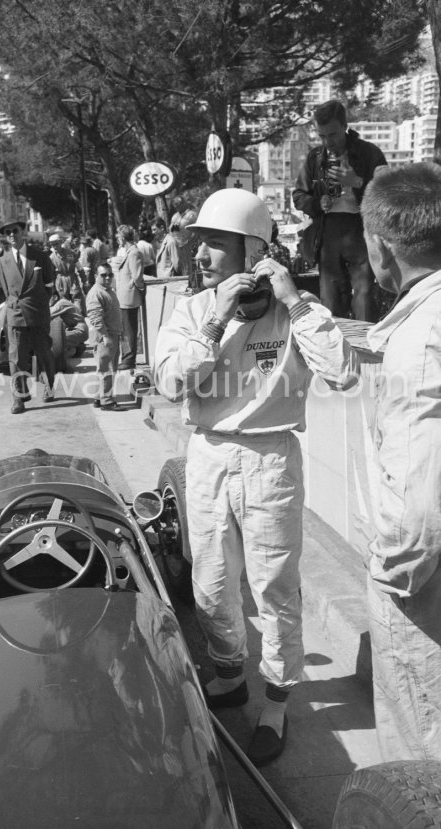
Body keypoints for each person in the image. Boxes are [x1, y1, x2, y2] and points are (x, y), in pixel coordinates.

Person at [154, 189, 357, 765]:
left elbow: (341, 370)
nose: (200, 256)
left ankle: (275, 701)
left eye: (215, 244)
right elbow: (172, 383)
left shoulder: (294, 311)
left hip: (271, 460)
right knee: (212, 586)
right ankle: (229, 675)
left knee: (273, 588)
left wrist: (293, 300)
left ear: (255, 250)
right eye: (200, 243)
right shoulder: (193, 312)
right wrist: (218, 318)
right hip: (210, 454)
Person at [360, 162, 441, 762]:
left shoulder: (418, 347)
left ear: (382, 249)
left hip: (420, 596)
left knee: (419, 764)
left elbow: (414, 528)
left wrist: (386, 573)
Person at [293, 99, 386, 322]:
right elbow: (299, 196)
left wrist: (357, 182)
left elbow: (386, 194)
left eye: (332, 134)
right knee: (330, 299)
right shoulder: (315, 157)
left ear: (345, 126)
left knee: (363, 296)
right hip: (328, 232)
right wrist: (318, 203)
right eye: (321, 136)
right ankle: (334, 350)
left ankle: (366, 349)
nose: (327, 142)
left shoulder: (369, 153)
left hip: (361, 231)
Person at [0, 218, 56, 414]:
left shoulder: (39, 256)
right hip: (16, 314)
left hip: (38, 312)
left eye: (15, 231)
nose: (11, 235)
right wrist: (14, 304)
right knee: (16, 358)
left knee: (44, 352)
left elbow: (49, 284)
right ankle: (19, 398)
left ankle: (49, 387)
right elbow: (6, 290)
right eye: (8, 233)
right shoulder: (3, 260)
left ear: (23, 232)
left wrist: (40, 302)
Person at [86, 263, 123, 410]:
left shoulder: (107, 290)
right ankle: (107, 401)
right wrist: (105, 336)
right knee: (106, 369)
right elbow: (95, 317)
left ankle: (98, 397)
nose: (107, 277)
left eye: (110, 274)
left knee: (104, 368)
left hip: (112, 334)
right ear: (96, 276)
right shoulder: (96, 293)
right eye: (103, 275)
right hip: (105, 336)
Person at [115, 224, 145, 371]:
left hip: (129, 297)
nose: (117, 240)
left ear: (122, 237)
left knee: (129, 330)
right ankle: (126, 358)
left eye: (118, 237)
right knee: (126, 329)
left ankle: (128, 359)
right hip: (125, 297)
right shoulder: (130, 252)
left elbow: (137, 276)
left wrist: (140, 290)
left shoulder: (134, 253)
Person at [48, 232, 86, 312]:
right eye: (52, 244)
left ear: (61, 242)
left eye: (56, 244)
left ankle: (79, 317)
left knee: (77, 300)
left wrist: (83, 278)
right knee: (64, 303)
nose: (54, 246)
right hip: (60, 282)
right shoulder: (51, 258)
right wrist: (52, 288)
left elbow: (77, 265)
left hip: (72, 279)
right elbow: (51, 274)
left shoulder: (69, 253)